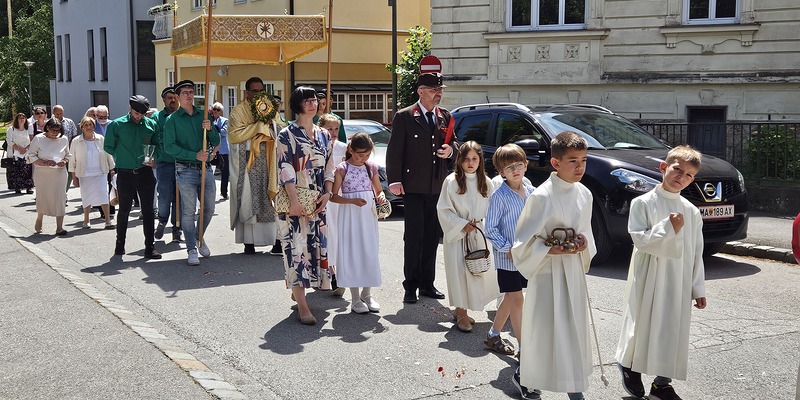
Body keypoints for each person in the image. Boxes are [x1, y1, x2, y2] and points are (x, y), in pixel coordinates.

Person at [616, 145, 707, 400]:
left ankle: (662, 383)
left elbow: (695, 251)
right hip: (650, 274)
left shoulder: (691, 211)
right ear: (664, 168)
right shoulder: (642, 203)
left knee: (672, 328)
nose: (682, 177)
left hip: (678, 279)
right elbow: (640, 240)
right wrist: (668, 225)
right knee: (643, 322)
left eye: (689, 175)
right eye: (677, 169)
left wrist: (697, 287)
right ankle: (630, 366)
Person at [511, 131, 596, 400]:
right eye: (573, 160)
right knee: (545, 330)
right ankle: (525, 376)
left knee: (572, 330)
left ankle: (575, 387)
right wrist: (550, 248)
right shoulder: (542, 197)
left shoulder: (584, 193)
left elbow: (586, 231)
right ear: (555, 163)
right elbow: (522, 242)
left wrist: (584, 244)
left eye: (583, 160)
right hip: (547, 271)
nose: (580, 166)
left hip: (571, 271)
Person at [386, 72, 456, 304]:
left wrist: (451, 151)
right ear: (420, 91)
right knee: (414, 237)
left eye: (440, 89)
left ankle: (428, 284)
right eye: (434, 89)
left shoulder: (444, 116)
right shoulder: (405, 116)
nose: (438, 93)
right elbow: (395, 151)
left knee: (431, 236)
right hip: (413, 187)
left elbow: (453, 141)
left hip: (437, 186)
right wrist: (395, 180)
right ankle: (410, 286)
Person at [276, 85, 335, 325]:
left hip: (319, 200)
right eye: (307, 101)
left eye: (314, 100)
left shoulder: (324, 134)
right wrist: (294, 201)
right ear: (298, 104)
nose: (313, 104)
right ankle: (302, 305)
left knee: (314, 249)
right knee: (297, 251)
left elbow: (330, 167)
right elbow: (284, 168)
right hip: (295, 200)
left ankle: (299, 290)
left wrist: (329, 193)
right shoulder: (286, 134)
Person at [436, 141, 499, 333]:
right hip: (458, 233)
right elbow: (443, 210)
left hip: (479, 232)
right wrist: (463, 225)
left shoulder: (486, 183)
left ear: (480, 160)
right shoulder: (452, 181)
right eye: (466, 159)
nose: (470, 163)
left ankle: (467, 306)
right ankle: (461, 311)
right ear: (460, 161)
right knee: (459, 273)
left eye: (474, 159)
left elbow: (494, 209)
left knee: (475, 273)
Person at [484, 143, 535, 352]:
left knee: (510, 296)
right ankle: (525, 349)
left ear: (526, 165)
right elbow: (491, 229)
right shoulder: (499, 197)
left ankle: (493, 335)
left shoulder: (534, 193)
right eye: (509, 167)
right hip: (508, 258)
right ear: (501, 172)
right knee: (516, 298)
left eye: (519, 165)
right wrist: (507, 248)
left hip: (529, 256)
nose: (515, 170)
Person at [163, 80, 220, 266]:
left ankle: (198, 237)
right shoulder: (172, 120)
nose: (189, 95)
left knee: (210, 208)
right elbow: (169, 147)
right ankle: (191, 248)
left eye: (191, 91)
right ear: (178, 97)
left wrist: (210, 129)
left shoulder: (203, 115)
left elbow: (216, 139)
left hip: (204, 168)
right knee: (188, 211)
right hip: (185, 168)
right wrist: (194, 154)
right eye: (185, 92)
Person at [329, 132, 386, 313]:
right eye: (360, 154)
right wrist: (352, 201)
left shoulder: (371, 168)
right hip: (349, 215)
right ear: (351, 150)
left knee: (369, 250)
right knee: (352, 251)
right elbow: (333, 197)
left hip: (367, 216)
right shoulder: (342, 169)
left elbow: (378, 190)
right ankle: (355, 298)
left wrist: (381, 196)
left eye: (367, 155)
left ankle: (367, 294)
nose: (364, 158)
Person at [104, 95, 162, 259]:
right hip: (125, 172)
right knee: (124, 211)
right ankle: (119, 246)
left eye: (142, 114)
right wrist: (122, 156)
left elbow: (158, 145)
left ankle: (150, 247)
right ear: (130, 108)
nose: (139, 116)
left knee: (148, 211)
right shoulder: (117, 124)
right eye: (137, 113)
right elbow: (108, 146)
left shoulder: (151, 124)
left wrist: (154, 157)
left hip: (145, 172)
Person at [227, 77, 278, 255]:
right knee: (248, 199)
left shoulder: (269, 108)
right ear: (247, 92)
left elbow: (279, 127)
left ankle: (275, 241)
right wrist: (258, 129)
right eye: (254, 91)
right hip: (248, 162)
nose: (258, 95)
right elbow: (233, 136)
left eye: (261, 91)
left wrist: (270, 129)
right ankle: (249, 242)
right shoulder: (238, 112)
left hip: (269, 161)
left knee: (272, 199)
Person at [318, 113, 347, 294]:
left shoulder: (344, 148)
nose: (334, 132)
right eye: (330, 129)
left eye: (336, 128)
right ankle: (328, 272)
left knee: (338, 234)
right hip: (323, 194)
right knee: (325, 234)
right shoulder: (318, 146)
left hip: (340, 195)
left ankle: (339, 273)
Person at [26, 118, 71, 235]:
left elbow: (68, 155)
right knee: (43, 196)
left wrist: (64, 162)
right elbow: (31, 156)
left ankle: (59, 227)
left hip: (59, 173)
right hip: (43, 173)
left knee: (60, 197)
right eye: (52, 130)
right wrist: (45, 162)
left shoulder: (64, 139)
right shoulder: (38, 139)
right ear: (47, 128)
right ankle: (40, 218)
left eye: (57, 130)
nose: (55, 133)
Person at [69, 116, 115, 230]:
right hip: (84, 173)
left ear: (94, 126)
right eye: (86, 125)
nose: (89, 127)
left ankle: (108, 221)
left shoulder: (100, 138)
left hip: (100, 172)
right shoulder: (76, 141)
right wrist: (74, 177)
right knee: (86, 197)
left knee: (104, 195)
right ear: (82, 127)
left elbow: (108, 154)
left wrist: (112, 169)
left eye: (91, 125)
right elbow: (72, 159)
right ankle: (86, 220)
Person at [152, 86, 182, 243]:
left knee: (180, 198)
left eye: (174, 97)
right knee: (164, 196)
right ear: (164, 100)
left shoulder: (183, 116)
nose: (172, 100)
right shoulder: (157, 118)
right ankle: (162, 221)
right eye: (169, 98)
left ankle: (177, 229)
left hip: (183, 164)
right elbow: (151, 137)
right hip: (164, 164)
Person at [4, 113, 35, 194]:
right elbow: (9, 141)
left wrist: (25, 149)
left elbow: (32, 141)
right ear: (16, 120)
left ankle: (28, 187)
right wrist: (19, 149)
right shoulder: (11, 129)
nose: (22, 119)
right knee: (16, 170)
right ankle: (18, 187)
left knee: (27, 171)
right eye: (20, 118)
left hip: (26, 153)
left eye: (23, 118)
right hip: (15, 153)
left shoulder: (28, 129)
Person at [53, 105, 78, 192]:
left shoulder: (69, 122)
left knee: (70, 173)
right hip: (55, 153)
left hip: (68, 152)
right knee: (57, 174)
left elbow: (74, 135)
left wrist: (71, 148)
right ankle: (57, 192)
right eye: (57, 114)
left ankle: (64, 192)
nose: (59, 115)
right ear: (53, 113)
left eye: (61, 113)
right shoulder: (50, 123)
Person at [210, 102, 230, 199]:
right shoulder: (209, 120)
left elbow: (224, 132)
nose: (215, 111)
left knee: (225, 171)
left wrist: (214, 129)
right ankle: (210, 192)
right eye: (214, 109)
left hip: (223, 150)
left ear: (221, 112)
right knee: (210, 171)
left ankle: (224, 191)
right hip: (211, 150)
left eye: (218, 110)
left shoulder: (225, 121)